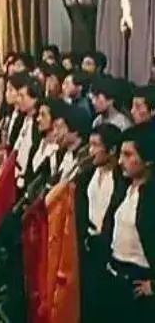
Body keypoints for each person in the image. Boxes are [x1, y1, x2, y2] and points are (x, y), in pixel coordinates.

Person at [102, 124, 155, 322]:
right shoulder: (123, 188)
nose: (120, 161)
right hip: (113, 277)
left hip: (138, 283)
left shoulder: (151, 197)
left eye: (128, 155)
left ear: (147, 159)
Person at [75, 124, 127, 323]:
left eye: (96, 145)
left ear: (111, 150)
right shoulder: (87, 175)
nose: (91, 151)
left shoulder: (121, 182)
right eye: (90, 144)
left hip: (105, 249)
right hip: (86, 245)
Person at [13, 78, 43, 188]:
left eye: (22, 96)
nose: (17, 100)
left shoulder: (38, 126)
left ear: (34, 99)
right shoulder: (21, 119)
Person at [28, 98, 65, 182]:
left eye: (43, 115)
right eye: (38, 115)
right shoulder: (38, 143)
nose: (38, 119)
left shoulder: (59, 150)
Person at [52, 106, 91, 183]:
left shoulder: (85, 159)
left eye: (59, 128)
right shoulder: (60, 154)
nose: (54, 133)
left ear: (75, 130)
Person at [1, 72, 29, 148]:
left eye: (10, 90)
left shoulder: (24, 117)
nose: (7, 93)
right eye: (6, 89)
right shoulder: (9, 111)